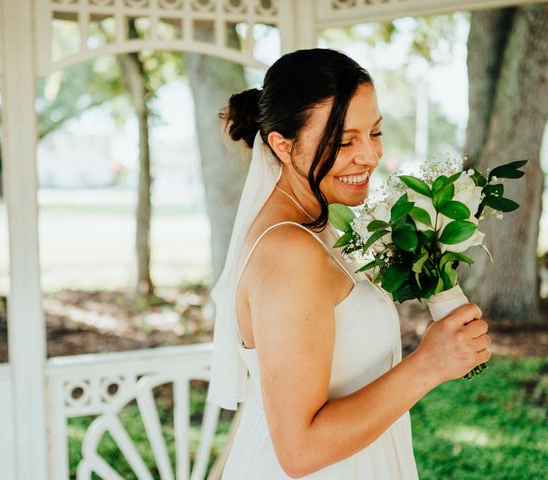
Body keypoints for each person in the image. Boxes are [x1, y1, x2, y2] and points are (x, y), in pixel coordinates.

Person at [207, 48, 491, 479]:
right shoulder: (289, 252)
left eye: (374, 133)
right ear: (284, 146)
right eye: (344, 141)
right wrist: (428, 364)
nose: (370, 156)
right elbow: (299, 451)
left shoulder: (317, 227)